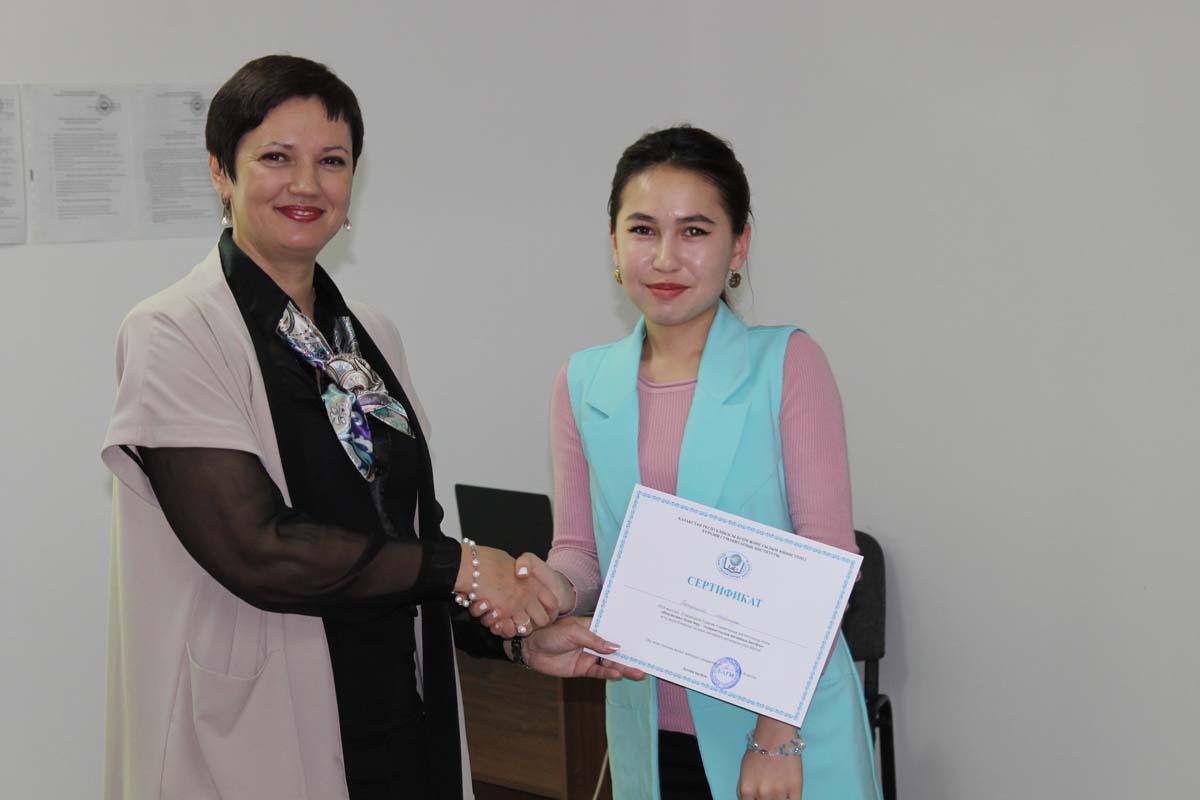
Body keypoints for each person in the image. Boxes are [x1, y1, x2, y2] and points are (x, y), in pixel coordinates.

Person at [99, 54, 626, 800]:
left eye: (332, 161)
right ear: (221, 172)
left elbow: (409, 532)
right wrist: (466, 569)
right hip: (259, 724)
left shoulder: (368, 334)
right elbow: (258, 548)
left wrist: (511, 637)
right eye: (276, 158)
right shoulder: (174, 332)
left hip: (399, 709)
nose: (306, 184)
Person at [515, 126, 883, 800]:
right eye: (642, 230)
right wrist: (548, 590)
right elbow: (583, 554)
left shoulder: (787, 364)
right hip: (649, 728)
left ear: (738, 245)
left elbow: (826, 561)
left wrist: (775, 733)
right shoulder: (581, 382)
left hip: (782, 734)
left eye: (694, 231)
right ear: (614, 244)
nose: (665, 258)